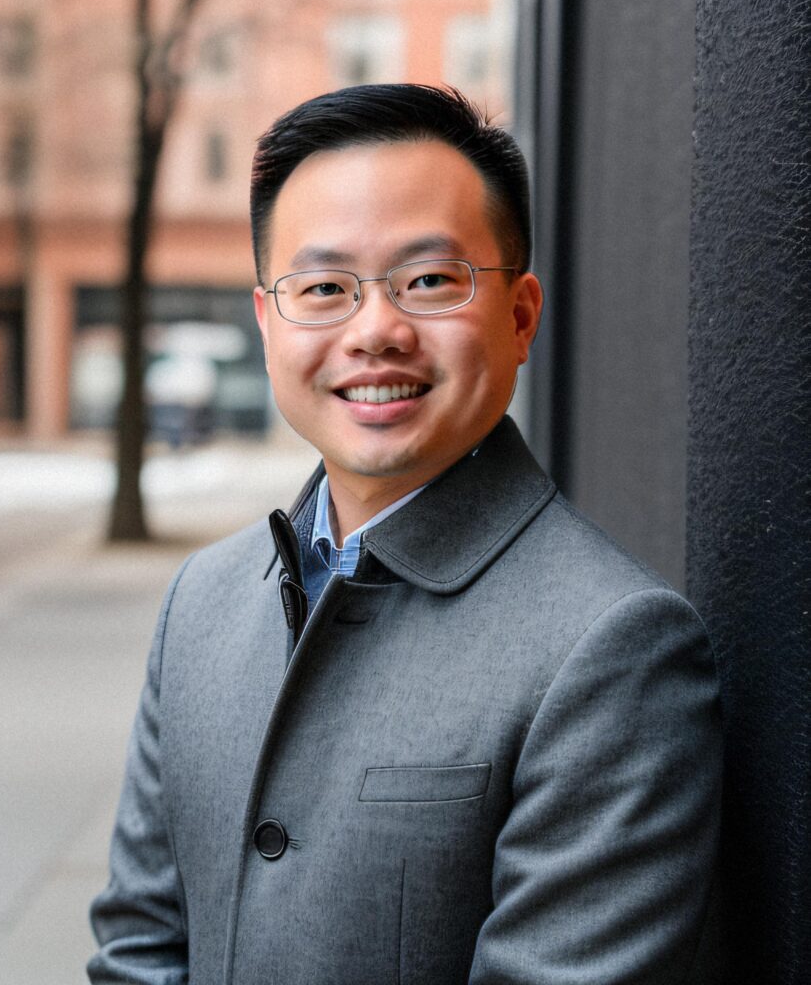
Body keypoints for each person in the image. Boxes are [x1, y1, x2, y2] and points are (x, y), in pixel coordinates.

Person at [88, 84, 721, 984]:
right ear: (268, 323)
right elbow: (138, 948)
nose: (376, 331)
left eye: (428, 280)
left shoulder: (614, 648)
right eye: (323, 288)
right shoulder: (203, 600)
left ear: (519, 316)